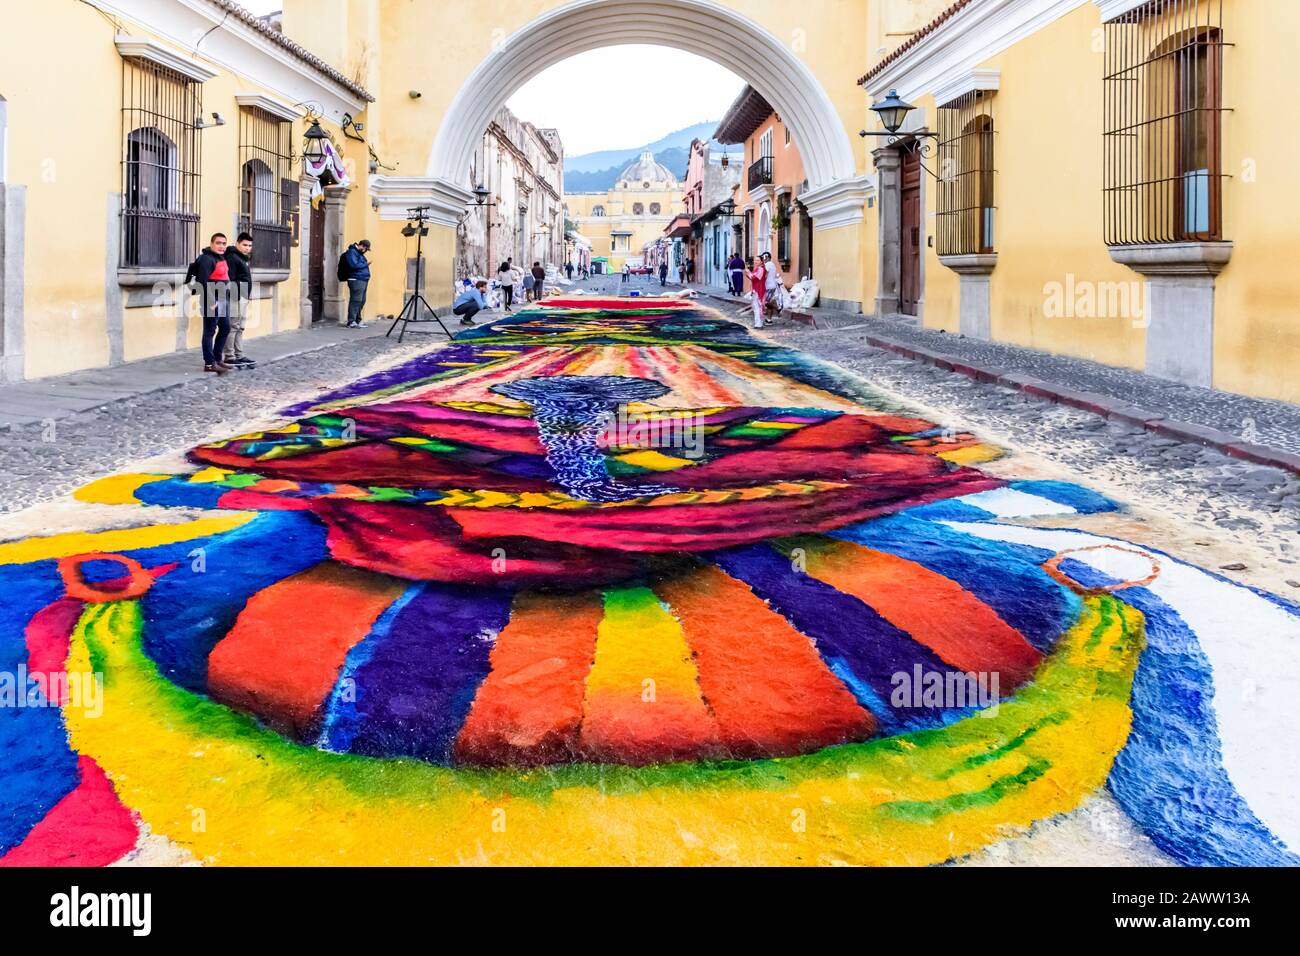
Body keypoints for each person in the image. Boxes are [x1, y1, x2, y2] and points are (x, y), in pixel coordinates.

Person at [187, 233, 234, 374]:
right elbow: (202, 282)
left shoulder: (220, 257)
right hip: (211, 301)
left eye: (224, 243)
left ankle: (218, 359)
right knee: (209, 331)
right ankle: (209, 364)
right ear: (211, 243)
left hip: (222, 300)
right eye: (218, 243)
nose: (221, 246)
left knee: (225, 328)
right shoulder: (206, 259)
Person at [223, 232, 256, 368]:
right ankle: (229, 356)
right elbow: (229, 279)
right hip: (235, 296)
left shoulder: (243, 258)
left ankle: (239, 355)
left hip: (243, 296)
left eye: (249, 246)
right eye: (245, 245)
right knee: (233, 326)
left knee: (240, 327)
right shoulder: (232, 257)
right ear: (237, 243)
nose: (247, 248)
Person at [338, 239, 371, 327]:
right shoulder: (352, 252)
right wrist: (366, 265)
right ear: (362, 246)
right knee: (356, 300)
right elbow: (353, 265)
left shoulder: (358, 253)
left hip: (362, 279)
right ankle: (351, 321)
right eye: (366, 249)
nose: (366, 251)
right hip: (356, 279)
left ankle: (357, 320)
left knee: (361, 301)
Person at [748, 254, 768, 329]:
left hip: (759, 289)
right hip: (757, 289)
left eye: (757, 260)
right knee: (757, 306)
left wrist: (748, 273)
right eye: (755, 260)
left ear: (761, 262)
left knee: (758, 306)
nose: (755, 261)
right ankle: (758, 323)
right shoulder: (758, 268)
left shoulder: (761, 269)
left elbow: (754, 278)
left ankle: (759, 324)